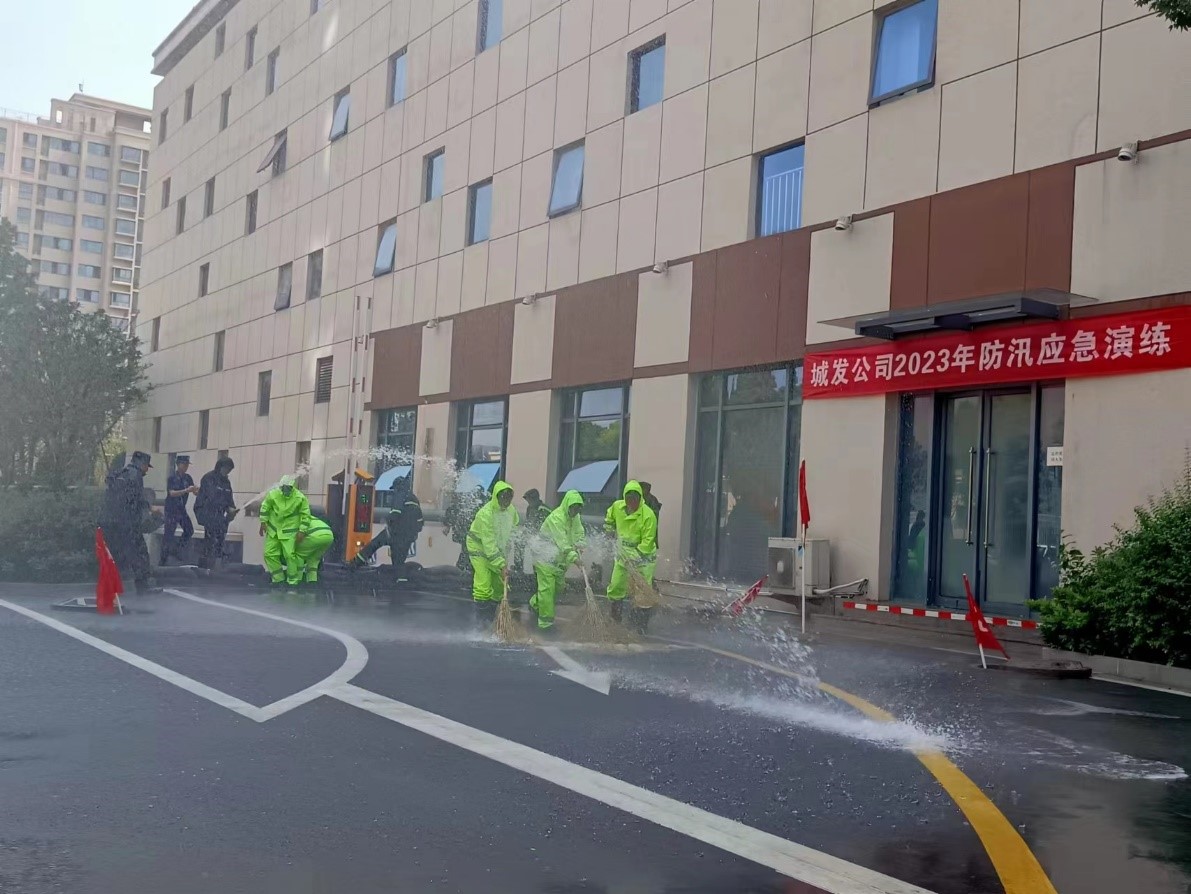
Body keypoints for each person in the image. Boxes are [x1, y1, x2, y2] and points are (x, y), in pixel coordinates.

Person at [98, 451, 162, 594]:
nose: (146, 470)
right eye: (147, 466)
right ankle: (143, 586)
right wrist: (150, 508)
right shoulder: (135, 475)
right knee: (140, 553)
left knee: (117, 555)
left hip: (111, 521)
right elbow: (136, 499)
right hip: (128, 523)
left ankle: (109, 586)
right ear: (142, 464)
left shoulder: (120, 473)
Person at [530, 490, 586, 632]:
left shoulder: (575, 517)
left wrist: (581, 543)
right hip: (544, 558)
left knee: (558, 588)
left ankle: (535, 603)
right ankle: (545, 625)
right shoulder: (556, 518)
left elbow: (579, 532)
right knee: (547, 592)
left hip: (558, 562)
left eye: (578, 508)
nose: (575, 511)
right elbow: (563, 543)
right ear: (568, 505)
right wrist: (575, 559)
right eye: (573, 508)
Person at [603, 480, 658, 622]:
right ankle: (615, 618)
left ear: (640, 499)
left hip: (643, 559)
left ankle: (640, 624)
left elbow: (648, 541)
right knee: (616, 586)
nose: (632, 504)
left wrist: (634, 557)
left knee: (642, 592)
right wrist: (609, 529)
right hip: (623, 556)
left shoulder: (648, 515)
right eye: (629, 500)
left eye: (635, 500)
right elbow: (609, 517)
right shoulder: (617, 507)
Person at [466, 481, 520, 619]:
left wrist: (505, 556)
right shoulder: (486, 514)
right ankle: (481, 623)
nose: (506, 501)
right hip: (479, 548)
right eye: (503, 497)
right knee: (483, 585)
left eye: (509, 498)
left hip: (495, 550)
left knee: (498, 587)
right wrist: (501, 564)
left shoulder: (511, 511)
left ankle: (492, 619)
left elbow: (513, 530)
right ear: (496, 496)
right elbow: (488, 543)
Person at [352, 476, 424, 572]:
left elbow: (395, 512)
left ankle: (356, 563)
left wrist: (388, 523)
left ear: (397, 487)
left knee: (375, 544)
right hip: (408, 536)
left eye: (394, 489)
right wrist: (413, 534)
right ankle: (399, 578)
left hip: (396, 532)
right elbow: (420, 521)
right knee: (398, 561)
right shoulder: (414, 499)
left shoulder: (400, 495)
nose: (394, 491)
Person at [259, 474, 312, 587]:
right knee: (269, 554)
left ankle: (292, 582)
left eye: (288, 488)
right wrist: (263, 522)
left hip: (289, 532)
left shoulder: (300, 498)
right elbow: (265, 507)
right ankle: (278, 579)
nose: (285, 489)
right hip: (273, 531)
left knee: (289, 556)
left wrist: (302, 531)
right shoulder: (273, 494)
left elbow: (305, 515)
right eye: (284, 487)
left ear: (293, 487)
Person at [195, 457, 237, 569]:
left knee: (220, 540)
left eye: (229, 470)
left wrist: (232, 508)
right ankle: (205, 567)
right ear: (220, 467)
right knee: (210, 541)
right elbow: (211, 497)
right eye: (227, 469)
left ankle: (215, 565)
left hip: (219, 515)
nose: (228, 472)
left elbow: (229, 498)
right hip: (208, 512)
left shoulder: (226, 482)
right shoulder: (209, 478)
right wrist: (226, 507)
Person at [160, 454, 198, 565]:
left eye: (187, 464)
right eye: (184, 464)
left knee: (189, 530)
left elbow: (194, 491)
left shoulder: (187, 478)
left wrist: (196, 490)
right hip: (171, 509)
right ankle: (163, 560)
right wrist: (186, 490)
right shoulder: (172, 478)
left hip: (181, 509)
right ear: (178, 464)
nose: (186, 466)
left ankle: (177, 549)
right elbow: (172, 493)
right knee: (169, 534)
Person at [294, 508, 335, 585]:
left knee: (299, 555)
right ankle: (312, 581)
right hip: (329, 535)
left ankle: (297, 581)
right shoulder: (311, 517)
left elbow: (297, 536)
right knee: (313, 559)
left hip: (316, 536)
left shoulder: (296, 519)